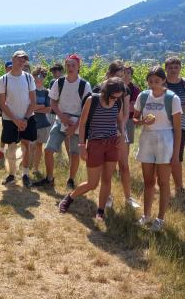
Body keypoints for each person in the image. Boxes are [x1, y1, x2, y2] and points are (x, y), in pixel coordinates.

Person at [59, 78, 126, 220]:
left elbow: (120, 120)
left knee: (107, 180)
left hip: (112, 143)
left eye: (118, 97)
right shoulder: (92, 100)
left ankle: (100, 211)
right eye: (113, 96)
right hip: (95, 144)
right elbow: (82, 124)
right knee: (92, 183)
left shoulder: (118, 102)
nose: (115, 99)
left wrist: (122, 133)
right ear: (106, 91)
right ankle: (70, 198)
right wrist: (82, 146)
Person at [133, 66, 182, 232]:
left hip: (165, 140)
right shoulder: (143, 96)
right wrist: (141, 122)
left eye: (157, 81)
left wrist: (175, 155)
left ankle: (160, 217)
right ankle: (146, 215)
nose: (153, 84)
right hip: (147, 139)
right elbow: (134, 118)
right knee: (148, 181)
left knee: (163, 181)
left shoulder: (172, 99)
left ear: (163, 81)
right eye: (151, 81)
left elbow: (177, 130)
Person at [33, 54, 92, 189]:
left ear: (78, 67)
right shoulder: (59, 82)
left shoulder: (84, 85)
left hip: (77, 123)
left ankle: (70, 180)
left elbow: (86, 109)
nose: (70, 68)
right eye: (68, 65)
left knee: (75, 154)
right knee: (48, 150)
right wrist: (62, 116)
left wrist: (75, 126)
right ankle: (49, 178)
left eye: (73, 65)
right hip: (60, 121)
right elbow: (53, 102)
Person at [92, 60, 140, 209]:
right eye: (118, 75)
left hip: (120, 130)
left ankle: (128, 198)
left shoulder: (124, 89)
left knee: (124, 165)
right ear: (109, 74)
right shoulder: (99, 88)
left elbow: (126, 113)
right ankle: (108, 197)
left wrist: (120, 130)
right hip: (103, 133)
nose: (121, 78)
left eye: (123, 75)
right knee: (106, 168)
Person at [0, 50, 37, 187]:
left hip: (27, 118)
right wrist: (16, 120)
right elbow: (2, 104)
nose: (22, 62)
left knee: (26, 146)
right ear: (13, 59)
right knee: (11, 148)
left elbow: (33, 101)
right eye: (19, 59)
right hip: (10, 119)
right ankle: (11, 174)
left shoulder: (29, 78)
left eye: (24, 60)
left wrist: (24, 119)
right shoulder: (3, 80)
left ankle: (25, 174)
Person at [165, 57, 185, 194]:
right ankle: (162, 184)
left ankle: (179, 187)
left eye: (176, 67)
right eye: (170, 67)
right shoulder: (161, 83)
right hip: (163, 126)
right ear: (166, 69)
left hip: (180, 127)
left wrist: (176, 110)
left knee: (177, 157)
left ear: (180, 68)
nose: (173, 70)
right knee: (162, 157)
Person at [31, 65, 52, 174]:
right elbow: (29, 107)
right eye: (38, 75)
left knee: (38, 146)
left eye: (43, 75)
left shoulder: (47, 92)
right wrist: (41, 106)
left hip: (43, 124)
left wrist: (35, 108)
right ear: (33, 76)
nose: (40, 77)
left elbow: (48, 109)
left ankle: (35, 168)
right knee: (30, 146)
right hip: (31, 122)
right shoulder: (30, 90)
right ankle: (27, 167)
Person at [123, 65, 141, 184]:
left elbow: (133, 108)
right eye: (123, 72)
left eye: (128, 73)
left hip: (129, 120)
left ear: (131, 75)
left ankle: (123, 165)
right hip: (114, 119)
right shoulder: (115, 86)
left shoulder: (134, 89)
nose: (125, 75)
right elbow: (129, 106)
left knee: (126, 143)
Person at [0, 60, 14, 162]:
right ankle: (2, 152)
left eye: (12, 67)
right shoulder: (2, 80)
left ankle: (8, 153)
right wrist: (0, 111)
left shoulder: (16, 79)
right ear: (5, 68)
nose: (10, 69)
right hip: (6, 111)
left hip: (16, 110)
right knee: (6, 131)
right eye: (8, 67)